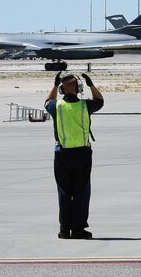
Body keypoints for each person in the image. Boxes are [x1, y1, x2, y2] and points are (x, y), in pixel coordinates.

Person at [45, 72, 104, 239]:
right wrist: (91, 85)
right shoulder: (85, 106)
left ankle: (64, 229)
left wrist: (55, 86)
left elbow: (47, 101)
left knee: (64, 192)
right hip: (82, 154)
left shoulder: (57, 106)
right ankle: (78, 229)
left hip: (62, 154)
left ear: (63, 90)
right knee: (81, 192)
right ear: (78, 89)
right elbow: (100, 101)